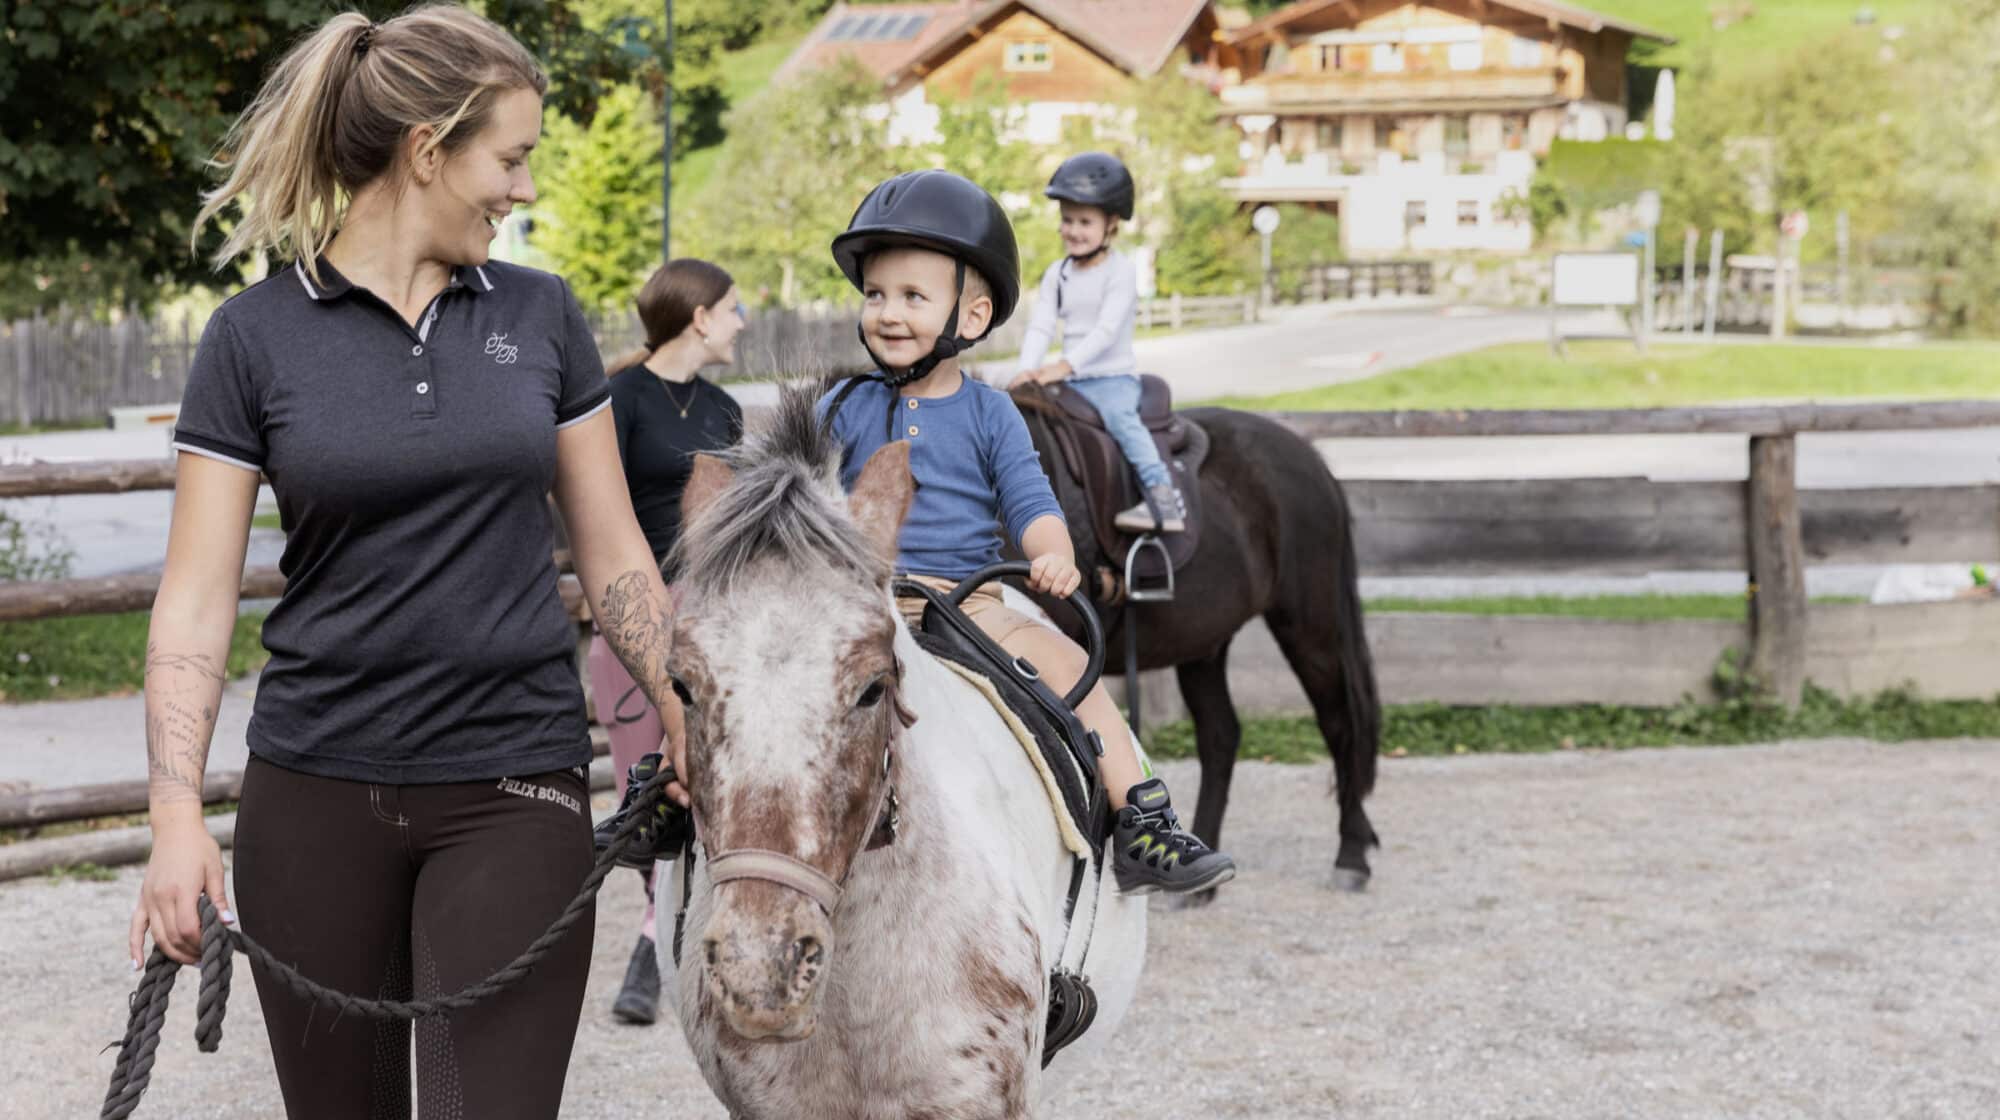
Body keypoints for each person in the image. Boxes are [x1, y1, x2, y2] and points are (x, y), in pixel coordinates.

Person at [129, 7, 685, 1117]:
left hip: (513, 786)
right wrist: (175, 819)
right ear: (427, 149)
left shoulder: (540, 314)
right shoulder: (254, 337)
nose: (522, 191)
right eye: (511, 158)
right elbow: (194, 599)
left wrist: (685, 716)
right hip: (314, 792)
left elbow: (613, 548)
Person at [821, 169, 1234, 895]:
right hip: (858, 604)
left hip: (968, 603)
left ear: (971, 318)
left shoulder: (989, 413)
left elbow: (1031, 504)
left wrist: (1051, 555)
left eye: (913, 297)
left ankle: (1141, 818)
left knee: (1071, 669)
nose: (887, 313)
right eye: (876, 294)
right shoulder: (841, 404)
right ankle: (673, 787)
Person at [589, 259, 744, 1024]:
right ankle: (664, 918)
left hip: (716, 618)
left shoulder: (725, 410)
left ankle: (657, 945)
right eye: (734, 309)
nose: (742, 322)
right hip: (638, 617)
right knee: (645, 798)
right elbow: (588, 516)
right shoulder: (618, 401)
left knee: (715, 780)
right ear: (701, 317)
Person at [1013, 151, 1182, 533]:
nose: (1073, 230)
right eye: (1067, 220)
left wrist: (1064, 365)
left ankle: (1162, 496)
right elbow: (1041, 325)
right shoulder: (1057, 273)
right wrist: (1026, 367)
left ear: (1111, 225)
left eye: (1085, 222)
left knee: (1122, 422)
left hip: (1110, 378)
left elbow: (1106, 332)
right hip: (1069, 381)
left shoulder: (1120, 272)